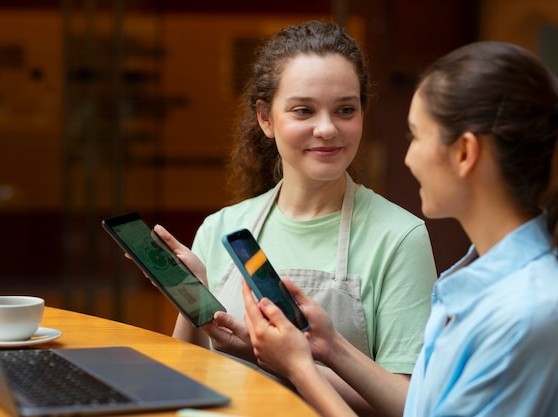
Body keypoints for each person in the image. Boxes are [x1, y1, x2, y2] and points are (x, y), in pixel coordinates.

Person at [241, 40, 558, 417]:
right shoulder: (474, 281)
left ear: (464, 153)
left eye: (416, 136)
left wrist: (300, 370)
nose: (408, 158)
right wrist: (330, 347)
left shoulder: (529, 311)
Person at [158, 20, 437, 416]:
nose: (327, 129)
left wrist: (288, 364)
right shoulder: (221, 227)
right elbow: (184, 381)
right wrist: (190, 295)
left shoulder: (399, 236)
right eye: (303, 110)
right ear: (266, 119)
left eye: (345, 109)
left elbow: (409, 404)